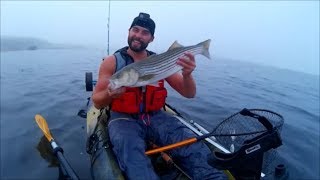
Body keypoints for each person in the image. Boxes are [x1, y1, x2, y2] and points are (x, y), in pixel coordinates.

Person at [92, 12, 226, 180]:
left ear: (152, 38)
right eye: (135, 29)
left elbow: (189, 93)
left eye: (145, 32)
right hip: (123, 119)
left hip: (156, 117)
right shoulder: (112, 62)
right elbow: (97, 101)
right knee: (133, 158)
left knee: (193, 146)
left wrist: (187, 74)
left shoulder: (160, 61)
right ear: (129, 31)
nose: (138, 35)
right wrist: (109, 94)